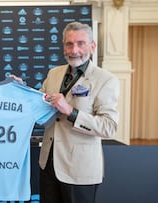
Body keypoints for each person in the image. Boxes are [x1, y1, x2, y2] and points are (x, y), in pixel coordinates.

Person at [38, 22, 119, 203]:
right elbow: (40, 103)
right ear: (63, 46)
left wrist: (71, 112)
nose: (74, 50)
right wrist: (19, 88)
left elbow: (109, 127)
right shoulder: (54, 73)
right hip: (49, 165)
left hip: (80, 170)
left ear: (92, 46)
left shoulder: (106, 80)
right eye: (69, 44)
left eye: (80, 43)